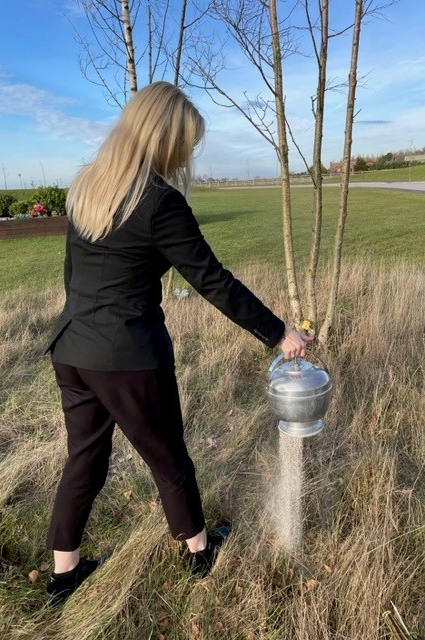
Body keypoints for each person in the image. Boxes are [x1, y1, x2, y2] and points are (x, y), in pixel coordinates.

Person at [44, 81, 312, 606]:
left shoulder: (87, 187)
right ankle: (199, 552)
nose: (189, 152)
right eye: (186, 141)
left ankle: (63, 577)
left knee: (84, 460)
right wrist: (280, 333)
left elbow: (72, 275)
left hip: (73, 349)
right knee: (168, 457)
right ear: (164, 137)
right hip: (128, 358)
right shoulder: (159, 202)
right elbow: (213, 280)